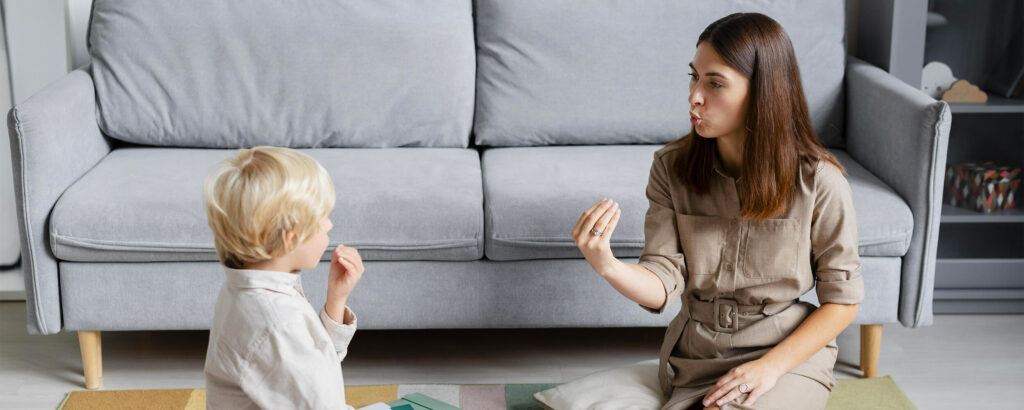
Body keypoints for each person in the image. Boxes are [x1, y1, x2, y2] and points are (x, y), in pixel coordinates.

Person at [571, 12, 863, 410]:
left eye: (714, 83)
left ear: (762, 92)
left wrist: (769, 368)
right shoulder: (671, 167)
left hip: (784, 357)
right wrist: (606, 264)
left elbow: (843, 300)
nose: (694, 95)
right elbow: (662, 280)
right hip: (698, 357)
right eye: (694, 77)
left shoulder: (821, 181)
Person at [202, 146, 365, 409]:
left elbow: (316, 367)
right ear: (291, 240)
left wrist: (337, 299)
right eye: (322, 217)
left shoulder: (245, 290)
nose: (330, 225)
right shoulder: (278, 323)